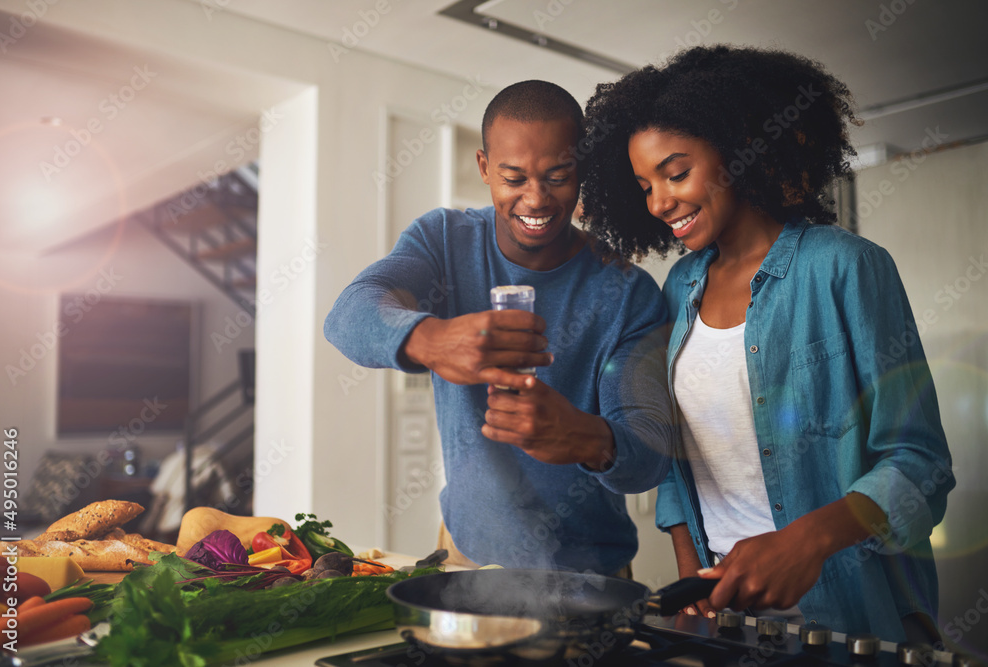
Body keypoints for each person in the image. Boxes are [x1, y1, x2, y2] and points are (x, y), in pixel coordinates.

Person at [579, 46, 953, 641]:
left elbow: (922, 464)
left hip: (853, 621)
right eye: (645, 185)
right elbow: (679, 455)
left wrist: (804, 542)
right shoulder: (680, 285)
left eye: (676, 173)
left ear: (739, 149)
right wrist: (690, 581)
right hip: (728, 619)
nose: (658, 202)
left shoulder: (845, 268)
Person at [324, 80, 674, 576]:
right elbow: (348, 315)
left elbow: (649, 453)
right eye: (513, 178)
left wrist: (585, 438)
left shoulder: (628, 293)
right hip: (467, 558)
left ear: (582, 171)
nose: (536, 200)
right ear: (484, 167)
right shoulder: (443, 241)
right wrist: (434, 340)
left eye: (557, 177)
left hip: (592, 576)